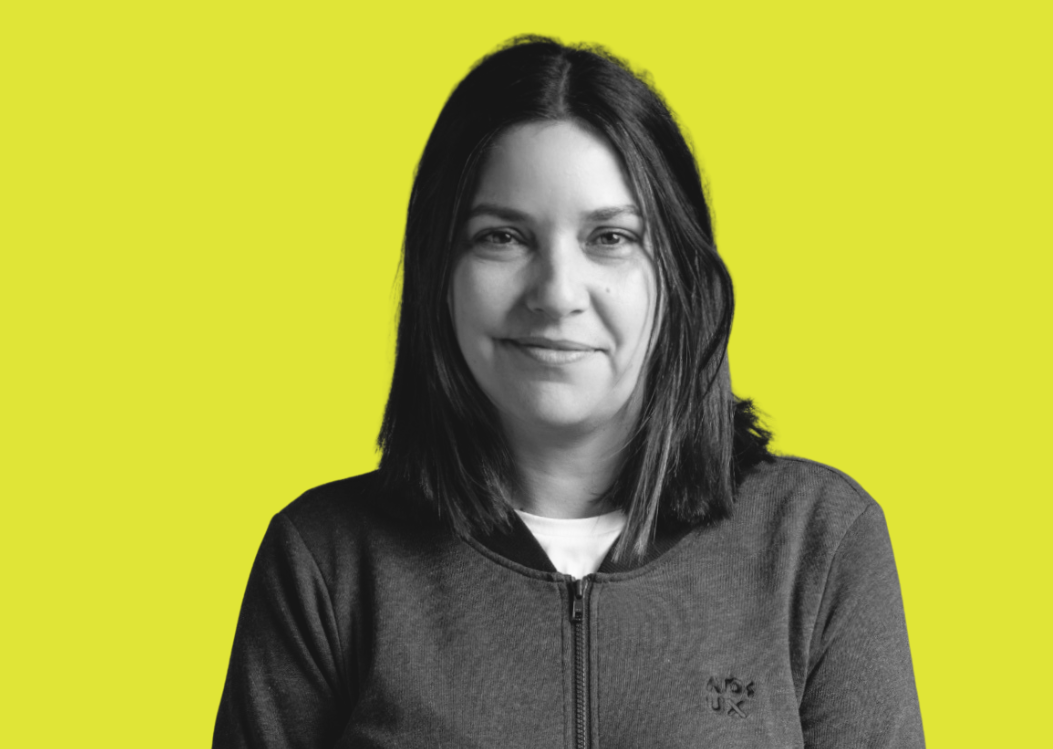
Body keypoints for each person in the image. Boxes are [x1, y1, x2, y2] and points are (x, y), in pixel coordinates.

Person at [213, 36, 924, 748]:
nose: (556, 293)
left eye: (610, 238)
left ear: (678, 275)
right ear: (440, 271)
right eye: (503, 236)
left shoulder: (818, 544)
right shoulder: (323, 561)